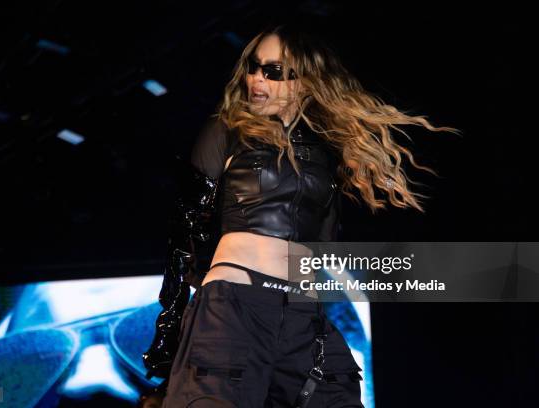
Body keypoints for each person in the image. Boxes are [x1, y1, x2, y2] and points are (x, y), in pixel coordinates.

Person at [143, 23, 457, 408]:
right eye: (253, 67)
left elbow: (322, 241)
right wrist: (170, 331)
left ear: (303, 82)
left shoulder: (326, 150)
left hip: (302, 317)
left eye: (273, 71)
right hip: (235, 306)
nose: (256, 78)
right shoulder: (227, 130)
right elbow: (184, 231)